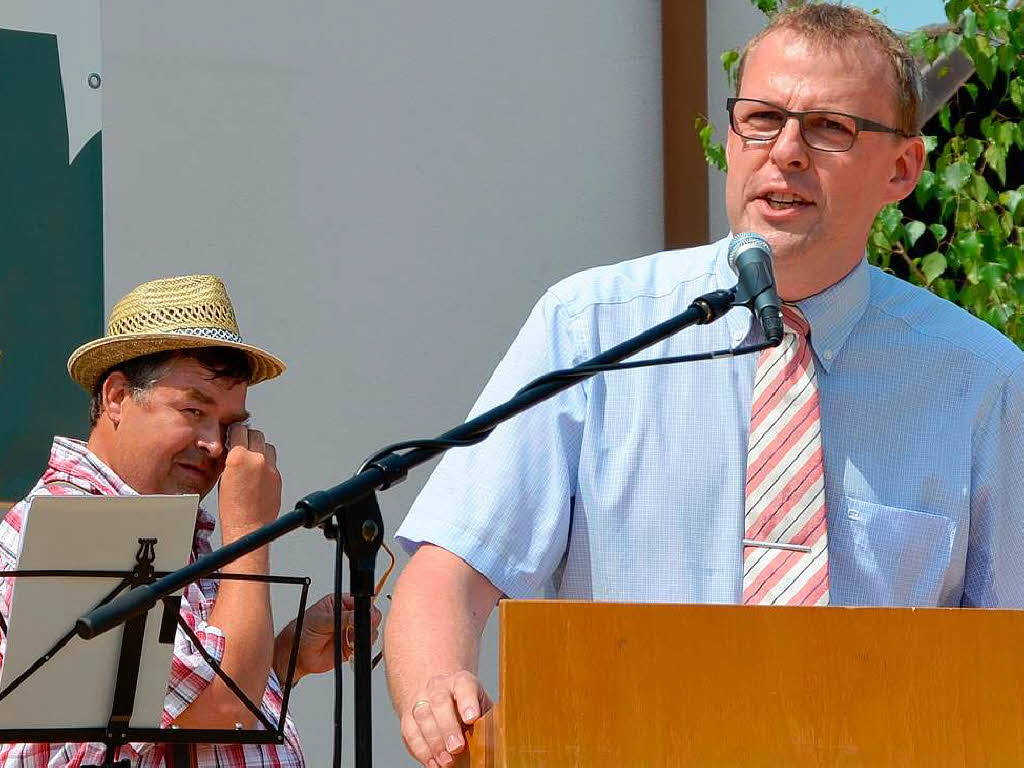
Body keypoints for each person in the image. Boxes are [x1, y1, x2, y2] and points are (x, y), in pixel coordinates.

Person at [384, 5, 1024, 767]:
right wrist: (438, 687)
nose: (785, 152)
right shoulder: (595, 326)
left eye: (829, 129)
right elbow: (452, 566)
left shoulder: (979, 377)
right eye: (760, 119)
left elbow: (1006, 640)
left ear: (903, 169)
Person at [0, 274, 380, 766]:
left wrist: (283, 658)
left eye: (228, 424)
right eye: (193, 410)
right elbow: (222, 707)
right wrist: (247, 530)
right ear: (116, 397)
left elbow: (171, 708)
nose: (216, 444)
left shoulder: (161, 523)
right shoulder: (73, 523)